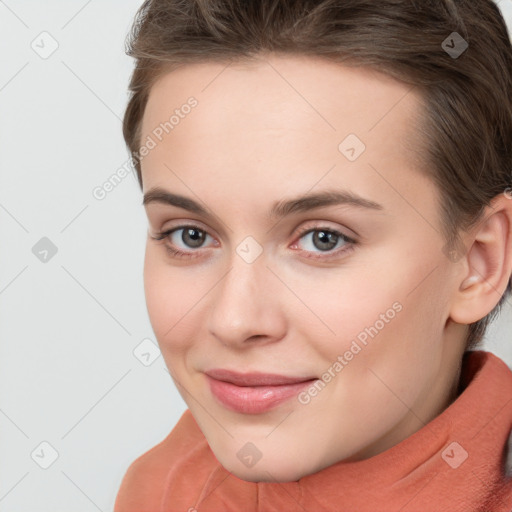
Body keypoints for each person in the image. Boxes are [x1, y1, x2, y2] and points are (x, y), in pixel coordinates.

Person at [114, 0, 512, 510]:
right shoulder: (165, 488)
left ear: (479, 262)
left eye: (324, 239)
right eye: (190, 235)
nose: (234, 321)